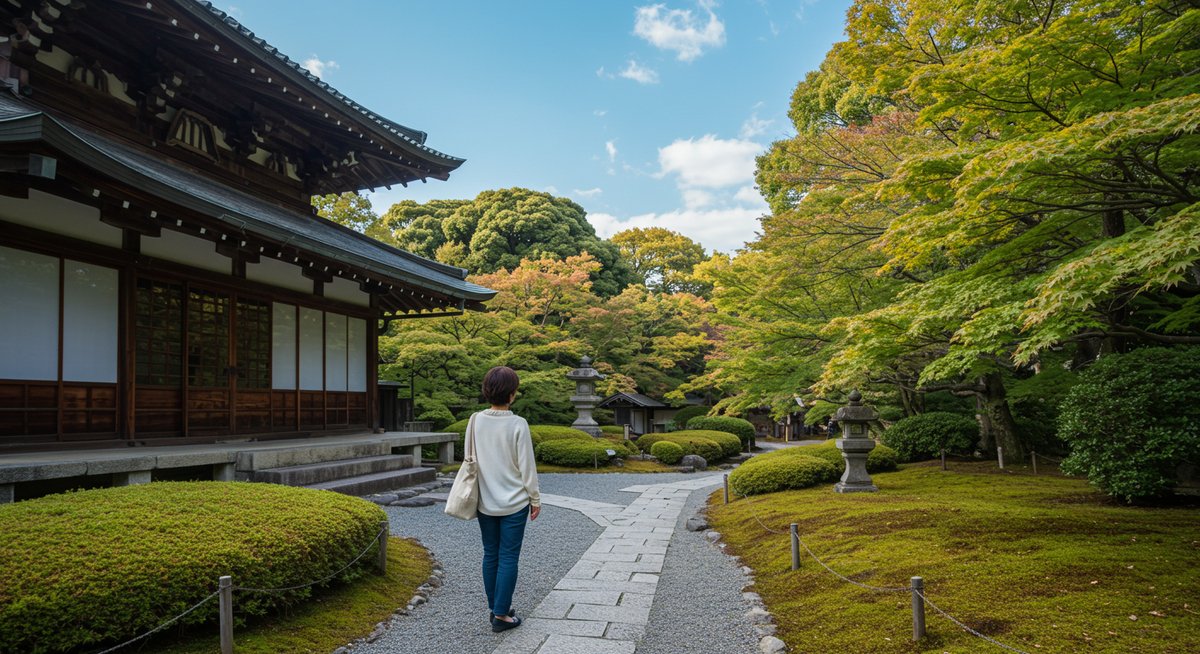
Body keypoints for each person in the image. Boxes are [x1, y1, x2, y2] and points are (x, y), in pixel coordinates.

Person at [472, 366, 540, 633]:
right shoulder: (518, 423)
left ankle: (496, 608)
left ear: (487, 391)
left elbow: (470, 460)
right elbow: (527, 467)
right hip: (515, 502)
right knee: (509, 556)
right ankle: (501, 615)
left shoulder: (475, 420)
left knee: (491, 554)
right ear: (512, 394)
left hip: (485, 499)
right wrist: (535, 498)